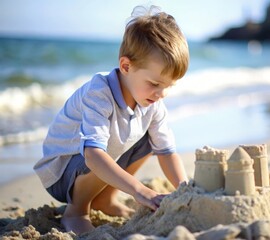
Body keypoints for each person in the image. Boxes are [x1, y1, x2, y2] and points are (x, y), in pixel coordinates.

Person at [33, 5, 189, 235]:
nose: (161, 94)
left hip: (98, 161)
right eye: (155, 84)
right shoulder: (99, 93)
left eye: (168, 86)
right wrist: (139, 191)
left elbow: (166, 152)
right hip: (62, 170)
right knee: (96, 151)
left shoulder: (152, 102)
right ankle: (77, 211)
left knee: (150, 139)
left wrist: (185, 190)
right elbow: (93, 156)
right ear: (126, 66)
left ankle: (104, 199)